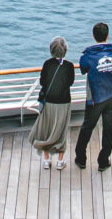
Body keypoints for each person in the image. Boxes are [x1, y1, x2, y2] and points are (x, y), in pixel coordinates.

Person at [75, 22, 112, 171]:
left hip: (95, 98)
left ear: (94, 36)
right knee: (109, 130)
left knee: (87, 127)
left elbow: (83, 68)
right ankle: (103, 161)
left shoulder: (88, 55)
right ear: (108, 36)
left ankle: (81, 159)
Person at [30, 37, 75, 168]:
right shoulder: (69, 66)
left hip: (48, 102)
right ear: (65, 50)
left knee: (47, 129)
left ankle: (46, 160)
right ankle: (60, 161)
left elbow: (43, 82)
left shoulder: (47, 64)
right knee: (61, 130)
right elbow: (70, 82)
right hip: (63, 102)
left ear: (51, 50)